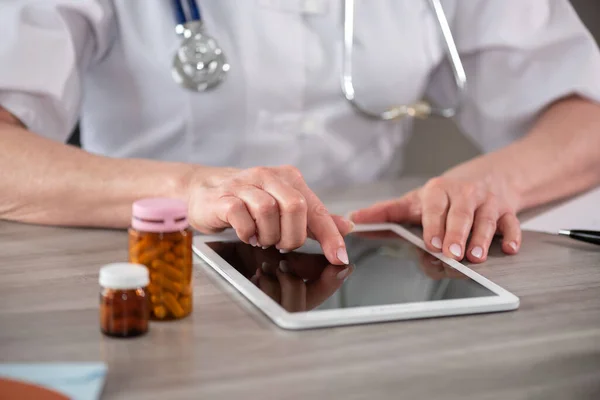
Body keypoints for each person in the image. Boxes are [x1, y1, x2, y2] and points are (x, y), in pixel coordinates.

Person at [1, 0, 600, 268]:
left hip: (370, 264)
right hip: (152, 264)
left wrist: (491, 179)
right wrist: (192, 189)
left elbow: (587, 114)